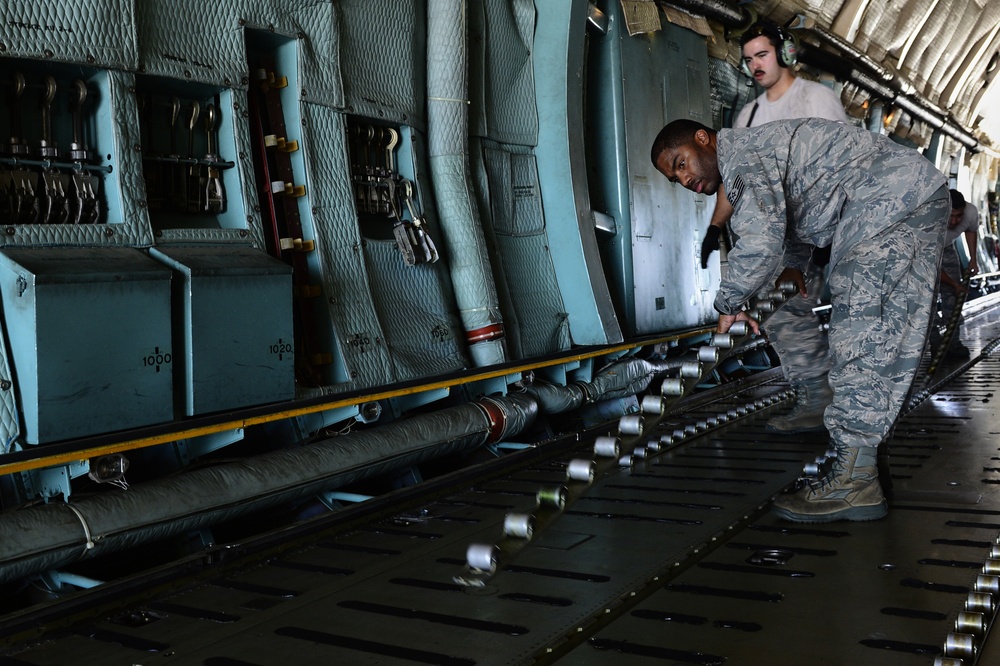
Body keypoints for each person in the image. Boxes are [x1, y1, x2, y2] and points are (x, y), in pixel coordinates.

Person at [650, 117, 948, 522]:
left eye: (681, 163)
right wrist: (792, 265)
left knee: (862, 330)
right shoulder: (755, 151)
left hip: (885, 203)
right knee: (887, 329)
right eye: (674, 178)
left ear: (703, 140)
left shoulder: (741, 159)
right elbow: (798, 207)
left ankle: (854, 482)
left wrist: (727, 303)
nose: (684, 179)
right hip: (903, 196)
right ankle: (864, 463)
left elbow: (760, 241)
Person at [703, 20, 850, 435]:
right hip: (786, 235)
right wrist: (716, 227)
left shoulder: (816, 99)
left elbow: (844, 165)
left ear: (785, 53)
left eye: (762, 55)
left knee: (854, 314)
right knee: (782, 312)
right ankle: (816, 395)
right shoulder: (748, 114)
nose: (754, 66)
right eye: (748, 59)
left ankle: (855, 409)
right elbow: (737, 179)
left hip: (830, 227)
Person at [931, 189, 979, 358]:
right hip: (924, 251)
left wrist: (973, 259)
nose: (954, 221)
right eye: (950, 216)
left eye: (958, 216)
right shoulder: (930, 218)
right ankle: (935, 343)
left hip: (947, 246)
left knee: (954, 296)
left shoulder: (971, 212)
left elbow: (971, 230)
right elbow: (934, 268)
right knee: (926, 299)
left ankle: (953, 343)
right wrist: (954, 283)